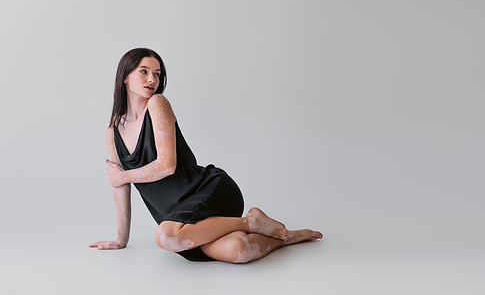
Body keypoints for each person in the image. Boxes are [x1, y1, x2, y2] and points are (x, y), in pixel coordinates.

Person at [89, 48, 323, 263]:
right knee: (237, 252)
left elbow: (166, 165)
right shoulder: (112, 128)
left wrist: (125, 176)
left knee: (165, 237)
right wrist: (121, 240)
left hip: (208, 192)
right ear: (125, 76)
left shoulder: (157, 104)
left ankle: (250, 223)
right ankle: (286, 238)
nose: (152, 79)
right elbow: (120, 185)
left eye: (157, 74)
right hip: (181, 221)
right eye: (144, 71)